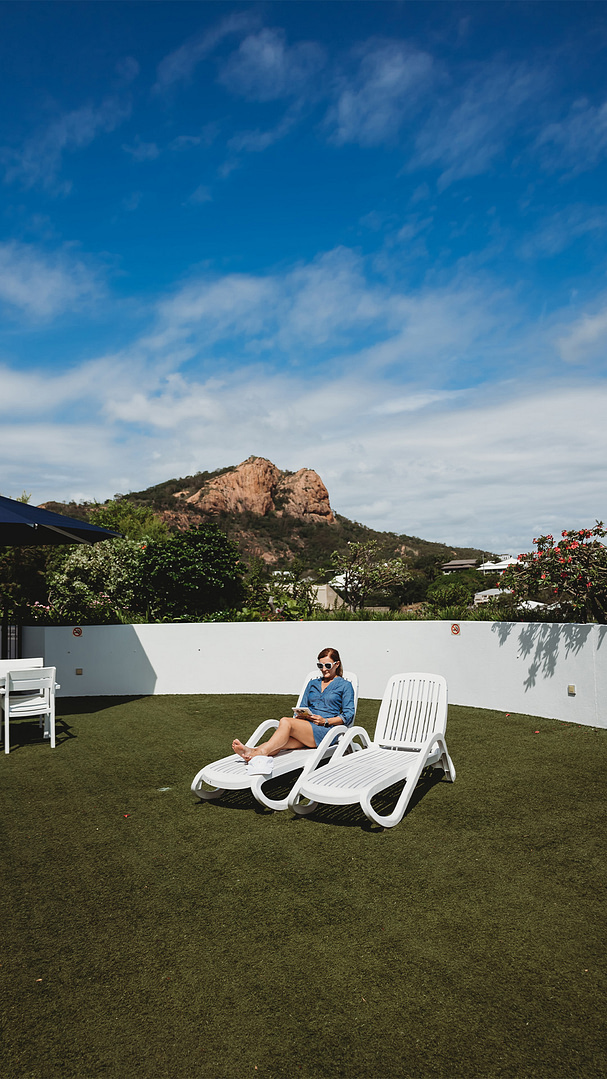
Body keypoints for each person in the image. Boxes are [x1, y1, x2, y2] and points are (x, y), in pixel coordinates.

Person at [232, 647, 355, 761]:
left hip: (325, 731)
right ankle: (251, 751)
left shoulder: (345, 685)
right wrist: (302, 715)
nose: (323, 669)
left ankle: (258, 752)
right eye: (320, 665)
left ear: (337, 664)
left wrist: (326, 721)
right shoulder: (313, 683)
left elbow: (349, 715)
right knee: (281, 743)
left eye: (327, 665)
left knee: (285, 721)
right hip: (306, 727)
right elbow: (302, 706)